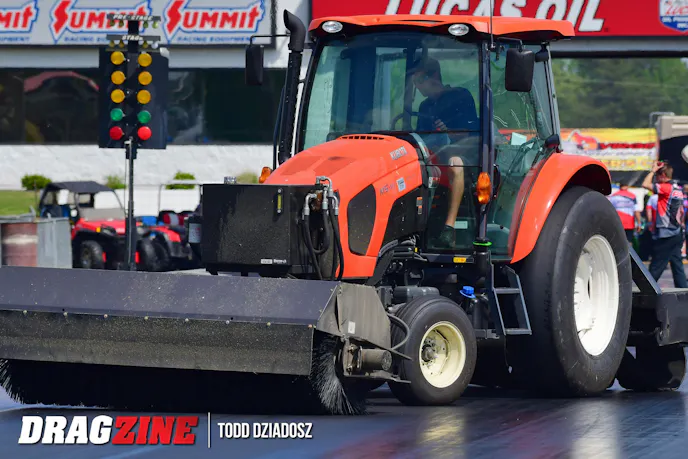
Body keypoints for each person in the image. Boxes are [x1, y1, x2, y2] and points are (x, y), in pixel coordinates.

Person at [410, 57, 479, 248]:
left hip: (463, 154)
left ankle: (449, 228)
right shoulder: (424, 106)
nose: (417, 87)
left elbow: (470, 135)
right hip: (433, 156)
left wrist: (447, 132)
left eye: (419, 81)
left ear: (434, 76)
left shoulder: (460, 96)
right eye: (414, 83)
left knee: (455, 163)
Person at [642, 162, 688, 287]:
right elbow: (681, 211)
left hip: (667, 232)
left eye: (657, 175)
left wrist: (652, 170)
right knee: (677, 265)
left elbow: (645, 184)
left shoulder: (666, 187)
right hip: (677, 231)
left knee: (656, 265)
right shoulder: (677, 188)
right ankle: (683, 290)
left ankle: (647, 290)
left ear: (662, 175)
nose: (656, 178)